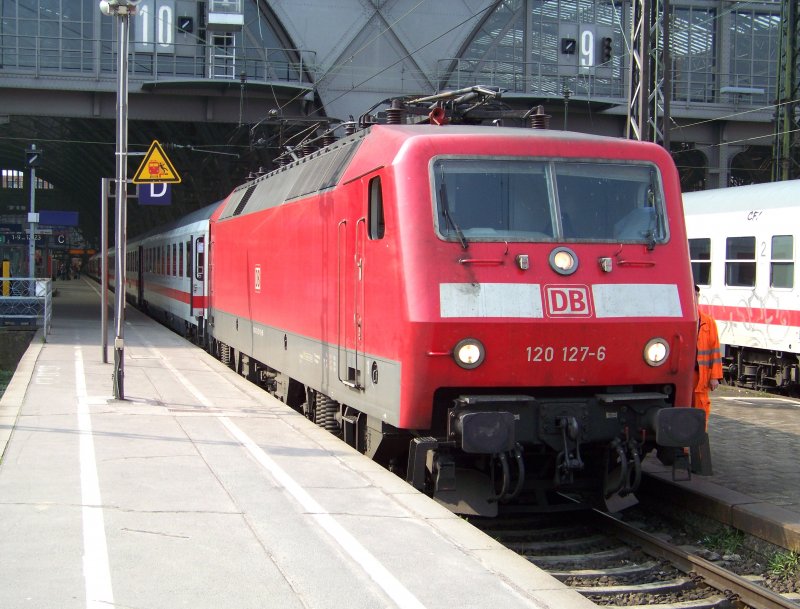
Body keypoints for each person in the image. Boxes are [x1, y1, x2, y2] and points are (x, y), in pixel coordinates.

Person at [691, 284, 722, 474]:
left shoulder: (708, 323)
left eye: (695, 295)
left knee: (701, 412)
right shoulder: (683, 320)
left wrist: (715, 376)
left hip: (701, 377)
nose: (694, 298)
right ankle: (685, 448)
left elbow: (715, 351)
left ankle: (698, 452)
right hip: (687, 377)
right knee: (685, 411)